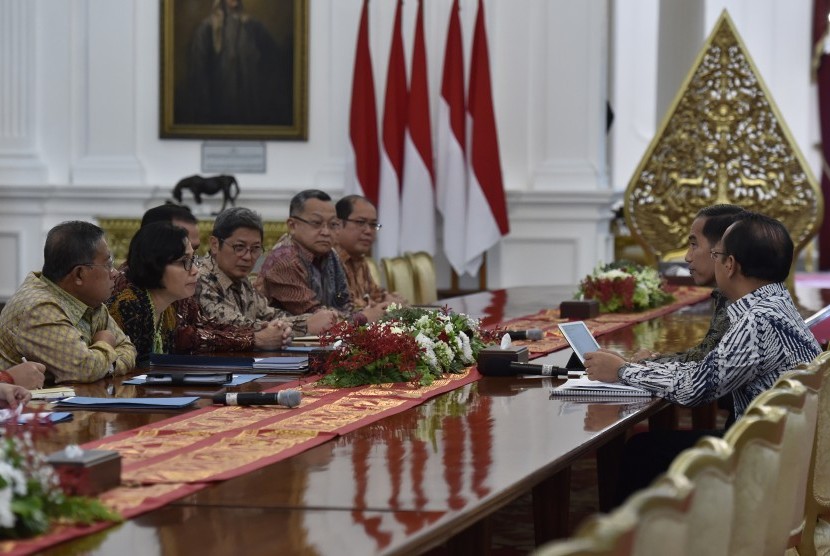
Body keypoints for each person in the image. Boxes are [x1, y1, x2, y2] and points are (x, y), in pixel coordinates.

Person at [584, 212, 822, 502]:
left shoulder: (756, 322)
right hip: (789, 446)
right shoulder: (775, 303)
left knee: (642, 451)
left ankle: (624, 545)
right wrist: (645, 367)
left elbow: (696, 388)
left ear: (730, 265)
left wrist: (622, 371)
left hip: (768, 460)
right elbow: (709, 368)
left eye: (717, 254)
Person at [0, 221, 136, 383]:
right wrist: (104, 343)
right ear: (79, 274)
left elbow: (128, 348)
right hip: (25, 406)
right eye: (108, 265)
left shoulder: (90, 301)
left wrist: (103, 364)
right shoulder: (39, 308)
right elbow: (83, 370)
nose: (114, 273)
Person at [197, 207, 337, 336]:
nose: (248, 257)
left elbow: (270, 315)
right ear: (215, 245)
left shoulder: (241, 280)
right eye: (239, 247)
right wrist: (305, 326)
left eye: (255, 248)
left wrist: (316, 318)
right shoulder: (200, 279)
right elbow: (236, 327)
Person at [255, 190, 388, 325]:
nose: (326, 232)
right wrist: (363, 317)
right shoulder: (284, 260)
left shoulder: (331, 255)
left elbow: (343, 301)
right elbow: (317, 317)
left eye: (332, 224)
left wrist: (366, 312)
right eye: (316, 223)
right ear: (292, 225)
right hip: (285, 342)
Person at [180, 0, 293, 126]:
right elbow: (199, 83)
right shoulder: (206, 31)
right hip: (217, 116)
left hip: (251, 115)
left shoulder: (254, 28)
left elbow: (274, 69)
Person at [107, 222, 202, 359]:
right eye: (184, 261)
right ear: (154, 264)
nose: (195, 270)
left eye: (193, 259)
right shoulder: (129, 307)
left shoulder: (167, 311)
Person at [335, 195, 407, 309]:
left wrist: (388, 298)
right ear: (337, 225)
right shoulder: (329, 260)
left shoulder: (359, 259)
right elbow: (343, 306)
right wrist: (386, 305)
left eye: (373, 224)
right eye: (360, 222)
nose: (368, 231)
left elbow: (375, 294)